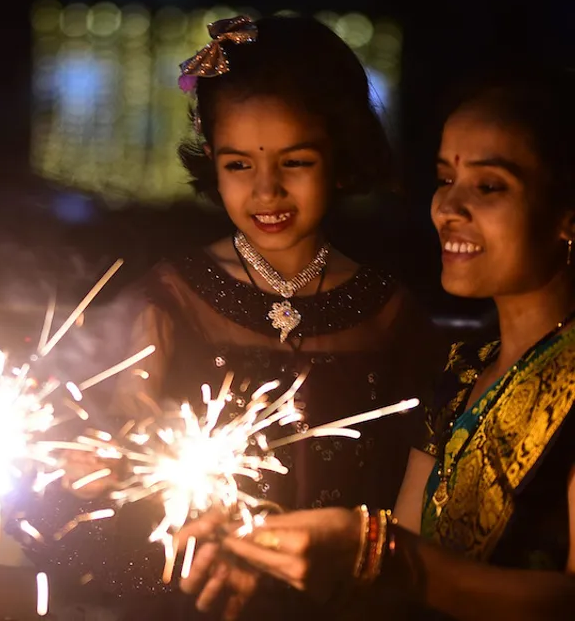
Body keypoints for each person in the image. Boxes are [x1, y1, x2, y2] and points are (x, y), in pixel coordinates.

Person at [6, 15, 443, 620]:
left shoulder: (390, 312)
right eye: (240, 165)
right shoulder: (167, 302)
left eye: (295, 163)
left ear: (340, 159)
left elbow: (420, 492)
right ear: (211, 160)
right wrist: (90, 471)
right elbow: (99, 473)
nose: (266, 192)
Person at [175, 66, 575, 621]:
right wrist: (275, 566)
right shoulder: (460, 375)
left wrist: (375, 551)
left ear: (566, 214)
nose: (448, 210)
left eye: (488, 187)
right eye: (444, 180)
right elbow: (400, 590)